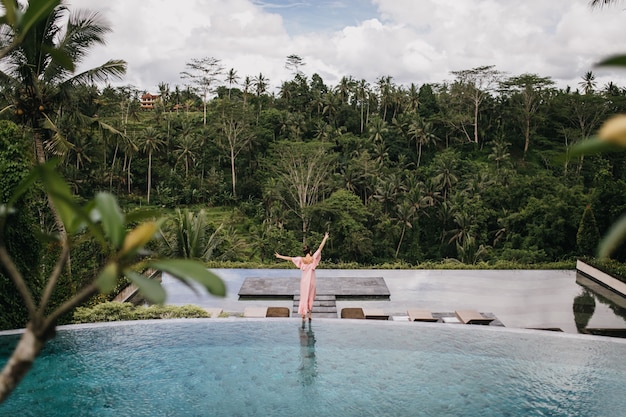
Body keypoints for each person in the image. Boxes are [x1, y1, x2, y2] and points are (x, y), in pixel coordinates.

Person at [275, 232, 329, 323]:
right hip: (311, 281)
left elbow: (290, 258)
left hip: (304, 282)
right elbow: (320, 248)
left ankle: (303, 315)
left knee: (304, 297)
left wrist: (279, 256)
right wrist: (325, 238)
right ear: (310, 251)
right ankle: (310, 314)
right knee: (311, 296)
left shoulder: (301, 259)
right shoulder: (313, 258)